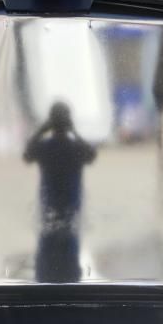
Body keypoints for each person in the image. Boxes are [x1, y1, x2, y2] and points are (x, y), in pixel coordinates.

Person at [23, 102, 96, 282]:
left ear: (50, 122)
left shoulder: (46, 147)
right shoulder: (74, 147)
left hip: (49, 210)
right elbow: (91, 155)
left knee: (46, 262)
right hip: (71, 209)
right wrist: (74, 132)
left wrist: (41, 130)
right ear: (69, 121)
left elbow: (27, 155)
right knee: (70, 260)